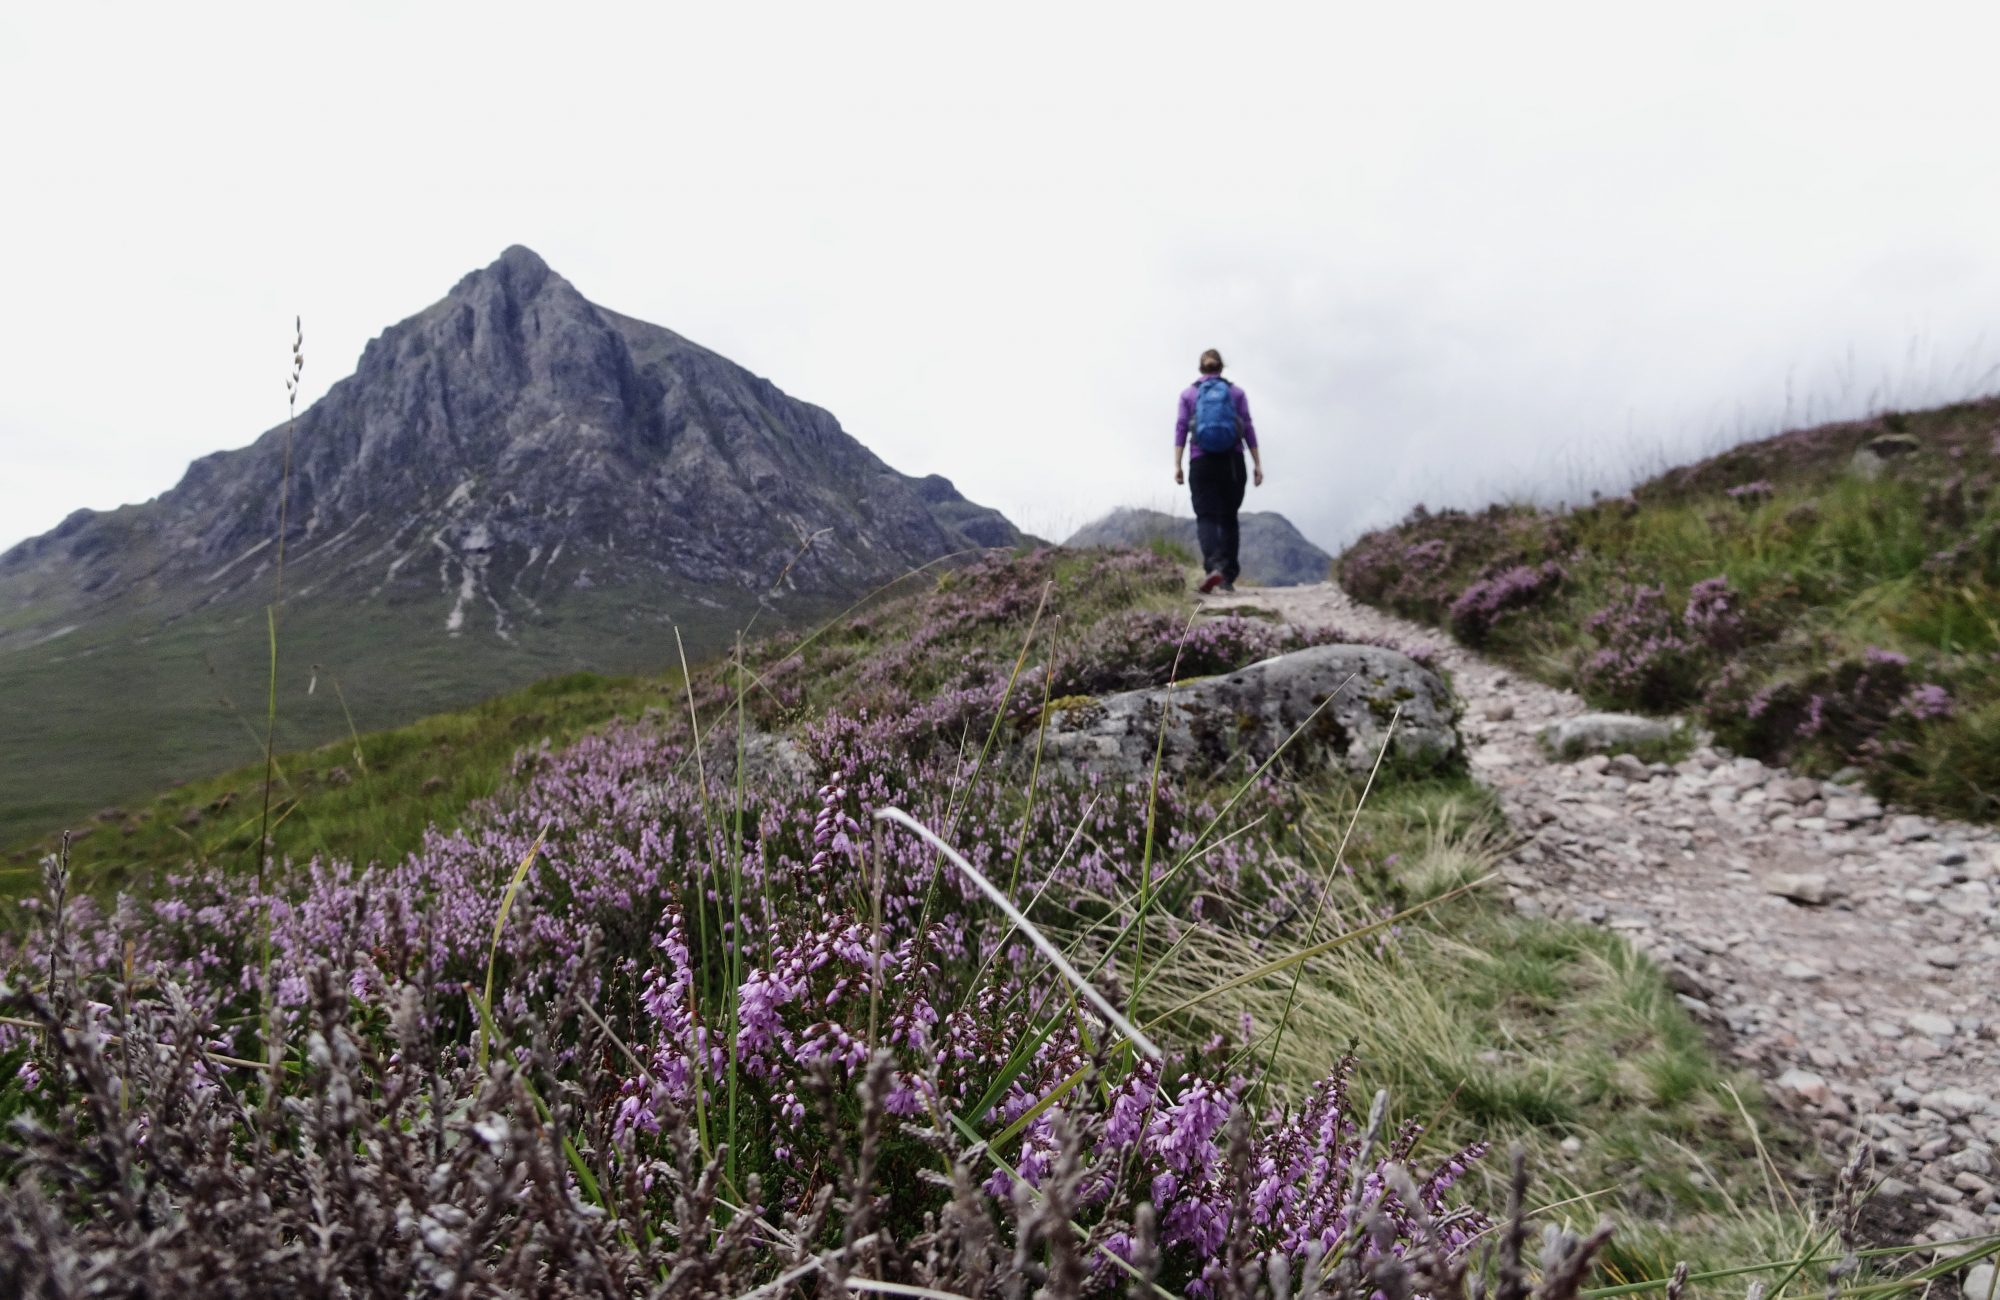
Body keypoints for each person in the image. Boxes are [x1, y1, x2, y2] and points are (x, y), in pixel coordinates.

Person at [1173, 348, 1263, 593]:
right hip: (1232, 460)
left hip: (1200, 461)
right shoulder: (1235, 393)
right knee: (1229, 516)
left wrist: (1178, 465)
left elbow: (1181, 428)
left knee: (1206, 516)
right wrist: (1257, 464)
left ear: (1201, 369)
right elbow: (1248, 428)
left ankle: (1212, 566)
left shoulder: (1189, 395)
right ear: (1221, 368)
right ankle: (1227, 575)